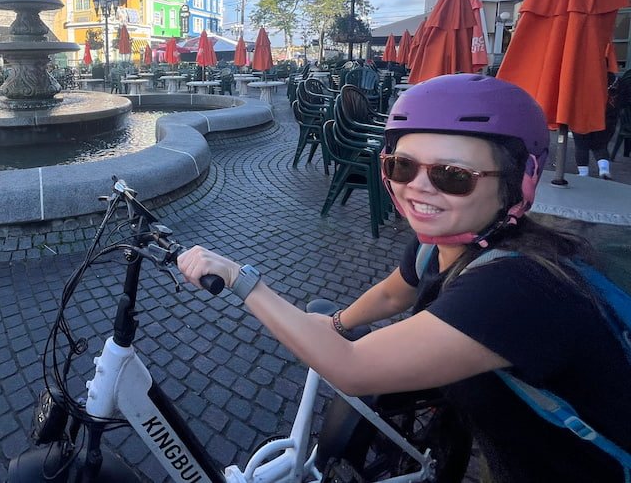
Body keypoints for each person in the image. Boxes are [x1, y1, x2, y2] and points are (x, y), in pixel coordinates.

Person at [179, 74, 631, 481]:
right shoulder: (444, 241)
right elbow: (397, 290)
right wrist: (337, 323)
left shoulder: (518, 287)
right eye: (402, 165)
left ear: (518, 182)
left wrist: (241, 280)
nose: (417, 186)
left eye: (452, 175)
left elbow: (353, 370)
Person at [572, 71, 618, 178]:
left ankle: (583, 173)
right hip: (607, 117)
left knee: (581, 145)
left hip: (583, 114)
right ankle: (603, 169)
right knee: (601, 146)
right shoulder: (614, 79)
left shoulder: (583, 73)